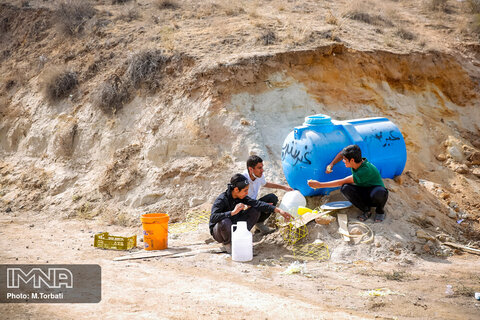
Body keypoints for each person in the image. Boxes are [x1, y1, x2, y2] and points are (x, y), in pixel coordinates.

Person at [209, 174, 292, 253]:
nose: (247, 193)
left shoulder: (242, 197)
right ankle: (227, 243)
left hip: (234, 226)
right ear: (236, 190)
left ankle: (241, 237)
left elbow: (257, 203)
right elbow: (213, 217)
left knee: (255, 209)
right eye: (245, 190)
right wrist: (232, 212)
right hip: (220, 232)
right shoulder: (222, 199)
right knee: (225, 221)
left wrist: (278, 210)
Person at [307, 144, 388, 222]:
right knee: (345, 188)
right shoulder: (357, 162)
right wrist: (332, 164)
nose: (343, 161)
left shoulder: (365, 170)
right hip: (364, 190)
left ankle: (380, 211)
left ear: (352, 160)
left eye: (345, 159)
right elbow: (342, 153)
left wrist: (319, 185)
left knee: (379, 192)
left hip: (375, 193)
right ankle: (366, 210)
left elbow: (341, 181)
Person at [243, 155, 293, 235]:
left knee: (272, 198)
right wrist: (261, 205)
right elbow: (240, 203)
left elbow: (265, 184)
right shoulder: (242, 179)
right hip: (243, 210)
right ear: (250, 169)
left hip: (254, 204)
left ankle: (259, 224)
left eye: (262, 167)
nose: (262, 170)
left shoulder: (259, 175)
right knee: (258, 207)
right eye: (259, 168)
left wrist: (284, 187)